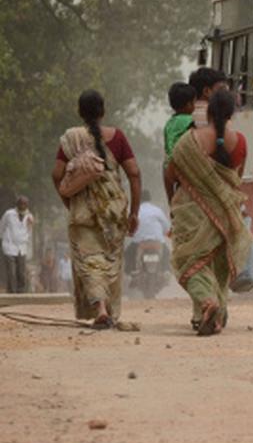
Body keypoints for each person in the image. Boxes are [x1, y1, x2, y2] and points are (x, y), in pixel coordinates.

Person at [51, 90, 142, 329]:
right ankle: (105, 310)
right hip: (114, 212)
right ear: (103, 111)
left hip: (82, 213)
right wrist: (134, 212)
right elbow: (134, 174)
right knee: (109, 262)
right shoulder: (117, 137)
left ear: (80, 112)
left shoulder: (71, 139)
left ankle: (100, 308)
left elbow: (57, 175)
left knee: (90, 261)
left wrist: (68, 202)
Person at [165, 89, 249, 335]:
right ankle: (216, 316)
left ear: (208, 112)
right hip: (225, 213)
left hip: (191, 211)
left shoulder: (189, 141)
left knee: (189, 261)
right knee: (219, 266)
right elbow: (236, 180)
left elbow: (171, 174)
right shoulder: (240, 142)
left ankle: (206, 302)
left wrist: (173, 203)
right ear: (231, 114)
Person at [125, 191, 172, 272]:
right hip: (157, 242)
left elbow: (128, 228)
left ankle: (130, 271)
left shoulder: (133, 212)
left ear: (139, 199)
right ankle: (166, 270)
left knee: (128, 253)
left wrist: (130, 233)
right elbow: (166, 227)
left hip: (140, 243)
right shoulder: (157, 210)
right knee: (167, 253)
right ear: (150, 199)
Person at [0, 196, 35, 293]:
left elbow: (30, 233)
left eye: (25, 204)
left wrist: (29, 248)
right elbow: (1, 226)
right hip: (9, 245)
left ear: (27, 205)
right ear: (17, 204)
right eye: (21, 203)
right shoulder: (9, 214)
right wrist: (3, 240)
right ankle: (11, 292)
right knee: (11, 271)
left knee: (21, 272)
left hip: (22, 247)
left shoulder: (30, 216)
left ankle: (21, 292)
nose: (23, 206)